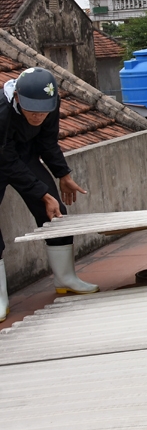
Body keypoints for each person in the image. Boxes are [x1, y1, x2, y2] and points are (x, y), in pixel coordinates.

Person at [0, 67, 97, 321]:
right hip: (1, 157)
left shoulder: (49, 104)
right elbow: (6, 160)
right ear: (17, 98)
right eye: (32, 110)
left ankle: (66, 278)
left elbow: (47, 142)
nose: (38, 115)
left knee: (55, 213)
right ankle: (0, 298)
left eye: (44, 110)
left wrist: (62, 174)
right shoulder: (1, 110)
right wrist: (41, 192)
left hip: (25, 155)